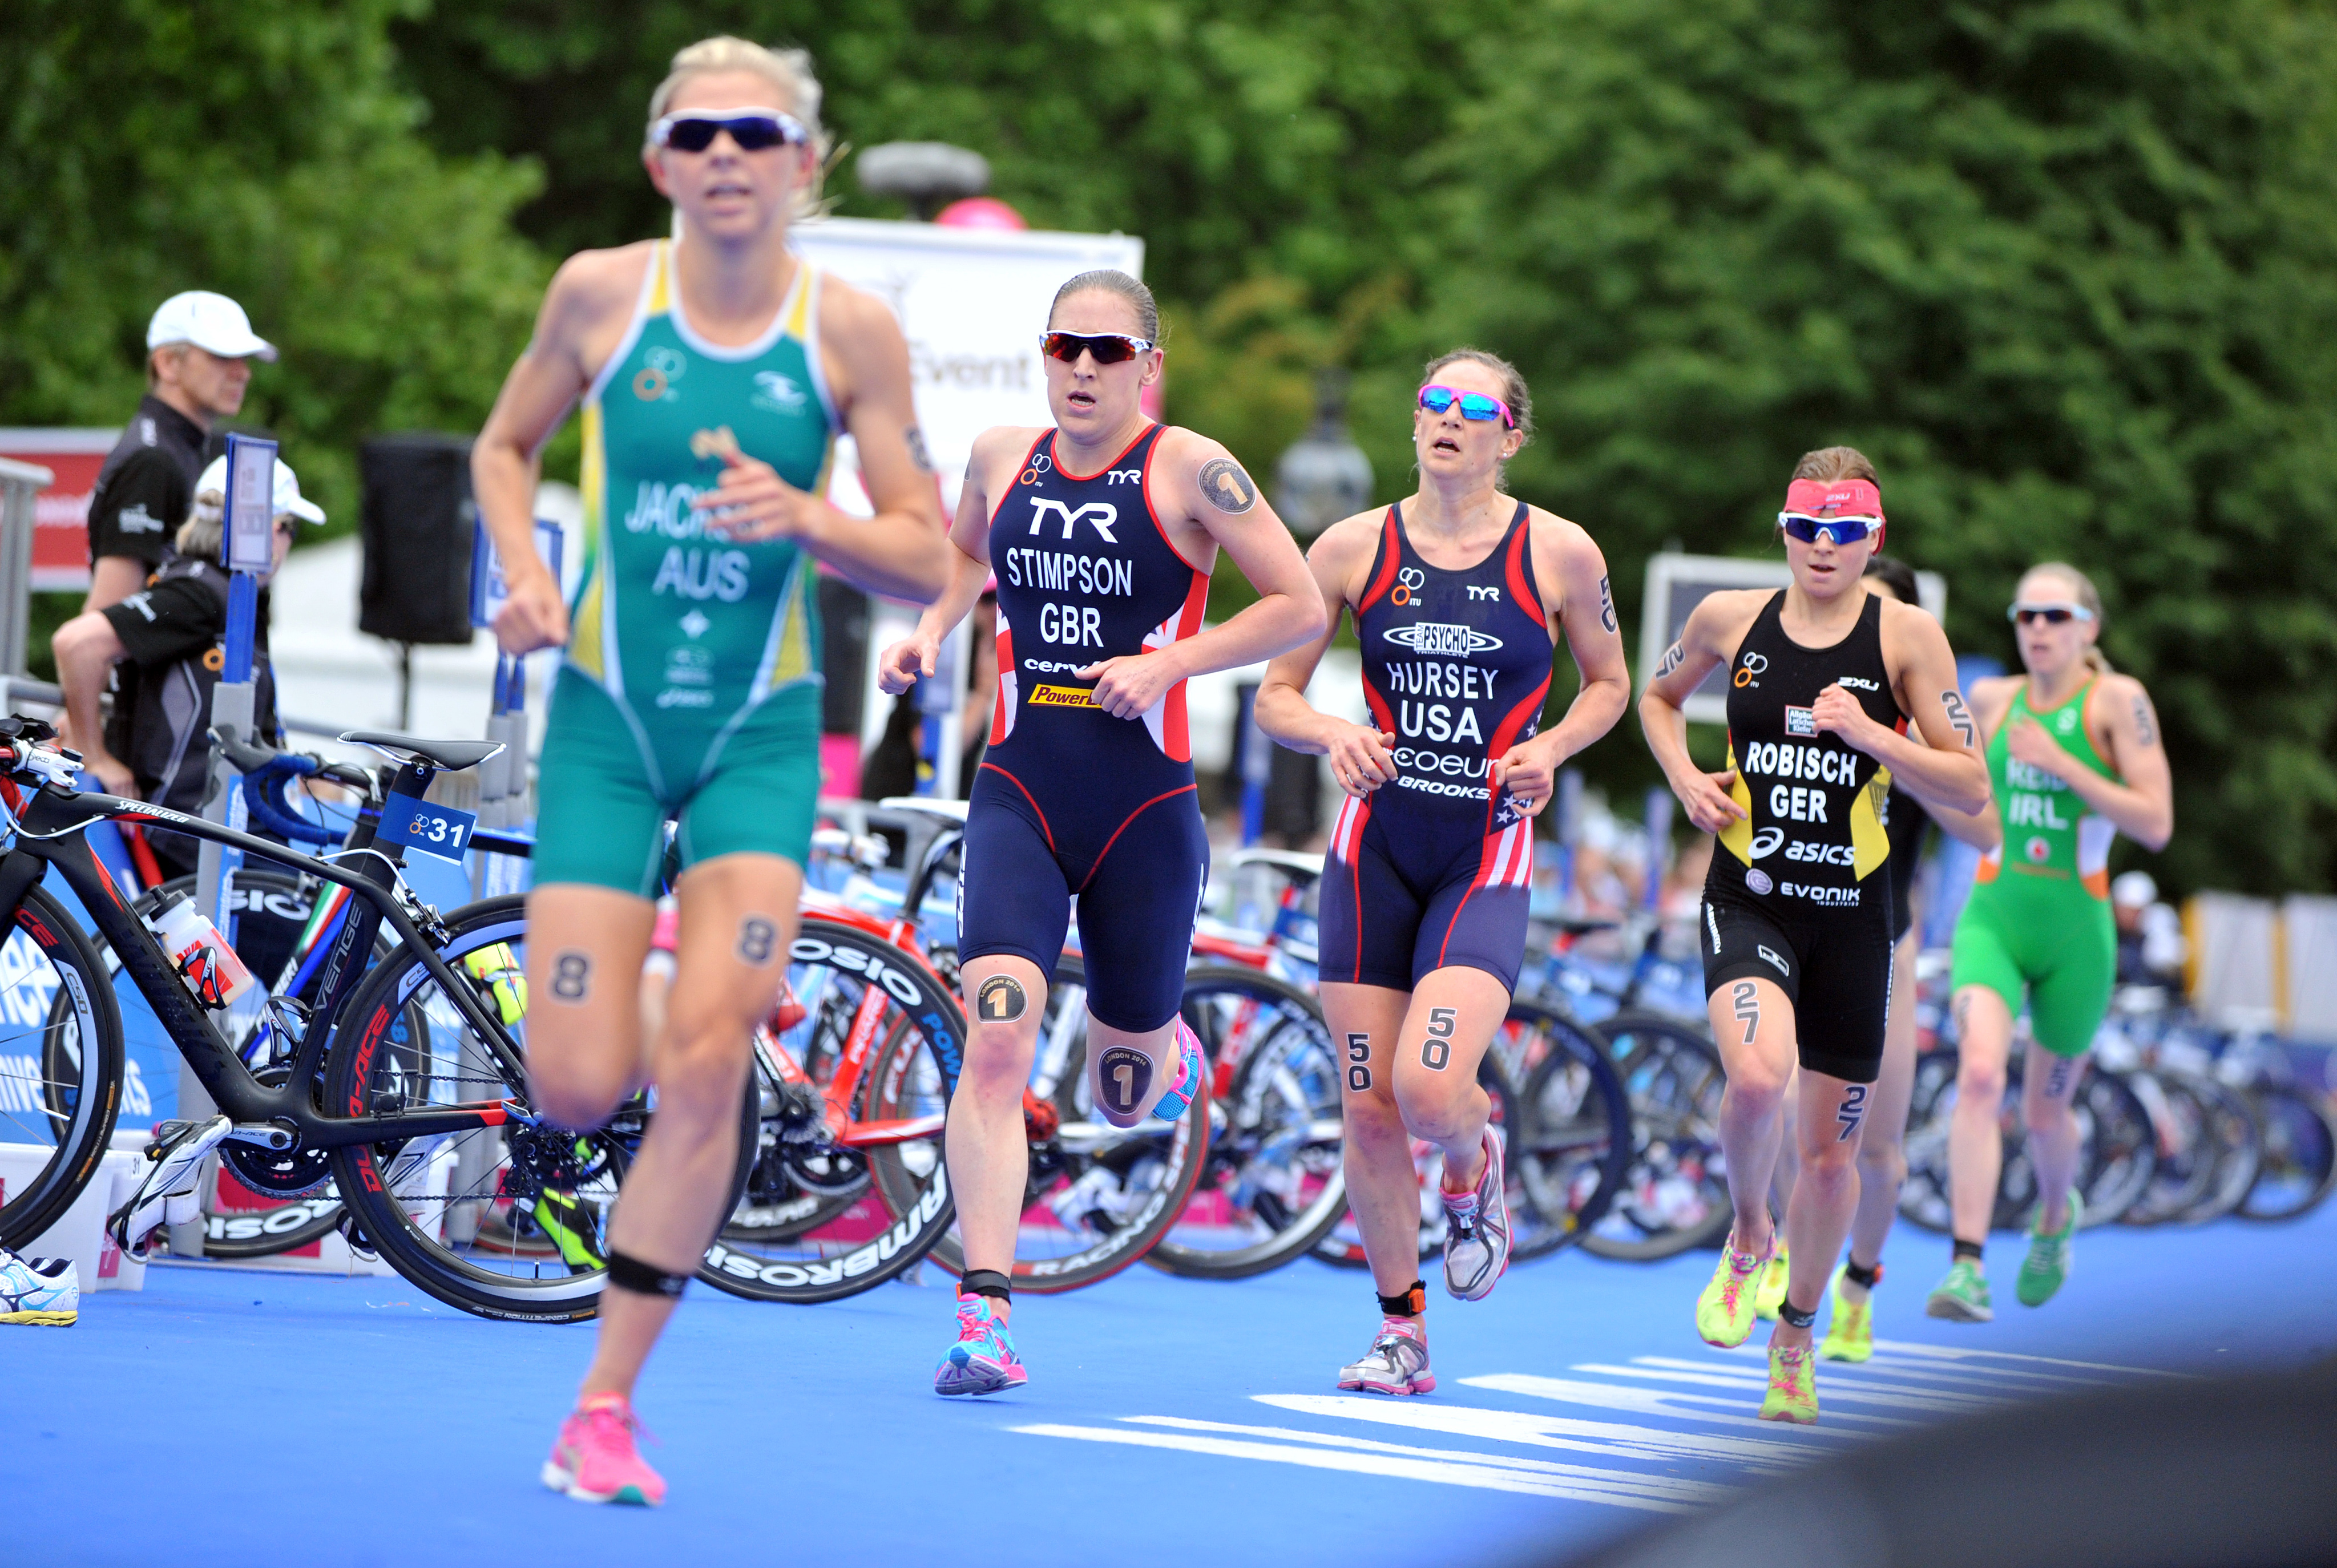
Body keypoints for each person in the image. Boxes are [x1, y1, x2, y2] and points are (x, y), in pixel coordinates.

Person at [471, 37, 948, 1506]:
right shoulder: (602, 294)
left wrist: (809, 514)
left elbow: (930, 547)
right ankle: (664, 994)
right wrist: (522, 576)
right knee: (572, 1080)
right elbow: (503, 443)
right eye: (700, 132)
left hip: (756, 736)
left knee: (703, 1069)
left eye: (760, 131)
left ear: (808, 163)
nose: (728, 153)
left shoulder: (850, 328)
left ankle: (603, 1407)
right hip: (612, 731)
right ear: (661, 160)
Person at [876, 268, 1325, 1398]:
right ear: (1044, 354)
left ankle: (1159, 1062)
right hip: (1020, 791)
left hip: (1145, 808)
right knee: (994, 1042)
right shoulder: (998, 456)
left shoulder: (1191, 469)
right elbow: (964, 556)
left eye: (1108, 351)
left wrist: (1171, 661)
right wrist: (930, 629)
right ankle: (983, 1315)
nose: (1083, 367)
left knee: (1116, 1092)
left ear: (1148, 368)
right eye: (1066, 347)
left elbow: (1299, 606)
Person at [1253, 350, 1629, 1395]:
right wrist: (1331, 729)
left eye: (1475, 408)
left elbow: (1609, 685)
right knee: (1369, 1106)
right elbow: (1275, 696)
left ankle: (1474, 1162)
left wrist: (1549, 748)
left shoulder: (1559, 552)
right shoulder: (1348, 544)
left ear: (1511, 435)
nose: (1448, 420)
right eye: (1433, 402)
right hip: (1375, 848)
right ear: (1414, 422)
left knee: (1426, 1086)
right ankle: (1401, 1331)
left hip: (1484, 847)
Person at [1641, 447, 1989, 1423]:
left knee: (1832, 1154)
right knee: (1757, 1077)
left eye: (1844, 532)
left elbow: (1971, 788)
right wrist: (1682, 775)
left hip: (1856, 919)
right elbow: (1657, 699)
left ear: (1874, 536)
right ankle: (1749, 1229)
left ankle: (1795, 1335)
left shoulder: (1909, 636)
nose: (1823, 547)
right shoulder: (1729, 618)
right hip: (1750, 893)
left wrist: (1875, 734)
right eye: (1806, 528)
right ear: (1783, 531)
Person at [1925, 563, 2172, 1323]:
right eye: (2025, 615)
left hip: (2077, 932)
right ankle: (1966, 1267)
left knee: (2042, 1114)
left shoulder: (2115, 701)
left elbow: (2155, 824)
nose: (2037, 629)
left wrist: (2062, 764)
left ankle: (2052, 1214)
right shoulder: (1990, 700)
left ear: (2086, 628)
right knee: (1974, 1076)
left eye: (2054, 616)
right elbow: (1945, 786)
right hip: (1993, 915)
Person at [1807, 554, 1996, 1360]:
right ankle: (1779, 1267)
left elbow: (1983, 830)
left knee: (1875, 1150)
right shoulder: (1804, 689)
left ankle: (1859, 1277)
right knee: (1788, 1119)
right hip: (1796, 927)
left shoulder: (1926, 721)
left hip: (1883, 936)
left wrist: (1890, 748)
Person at [51, 454, 317, 878]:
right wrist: (95, 755)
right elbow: (76, 643)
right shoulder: (200, 592)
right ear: (267, 529)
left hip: (214, 832)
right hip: (192, 840)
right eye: (291, 527)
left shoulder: (229, 593)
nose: (288, 543)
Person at [80, 292, 275, 616]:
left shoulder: (180, 447)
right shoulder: (152, 459)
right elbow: (101, 625)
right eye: (222, 356)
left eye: (245, 359)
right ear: (168, 363)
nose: (243, 373)